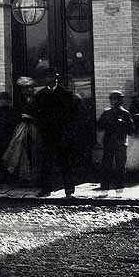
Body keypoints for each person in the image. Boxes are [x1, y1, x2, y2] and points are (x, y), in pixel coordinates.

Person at [34, 70, 79, 198]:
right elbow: (37, 115)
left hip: (62, 134)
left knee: (65, 163)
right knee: (46, 163)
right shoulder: (40, 95)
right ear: (45, 79)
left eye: (54, 77)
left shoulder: (65, 94)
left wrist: (68, 132)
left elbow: (72, 115)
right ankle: (46, 189)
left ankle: (69, 190)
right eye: (48, 77)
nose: (52, 79)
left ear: (57, 79)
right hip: (47, 135)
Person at [2, 78, 41, 184]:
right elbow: (16, 114)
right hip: (23, 128)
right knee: (20, 150)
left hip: (34, 127)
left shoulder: (37, 99)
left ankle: (35, 177)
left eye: (30, 87)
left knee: (35, 151)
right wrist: (22, 117)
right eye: (25, 88)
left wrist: (31, 117)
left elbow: (41, 114)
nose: (28, 90)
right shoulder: (19, 100)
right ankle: (24, 176)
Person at [98, 90, 136, 191]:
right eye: (113, 99)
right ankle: (104, 186)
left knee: (120, 167)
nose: (115, 102)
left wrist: (123, 124)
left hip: (121, 143)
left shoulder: (125, 114)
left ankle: (119, 186)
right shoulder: (106, 113)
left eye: (117, 99)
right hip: (109, 143)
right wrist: (106, 122)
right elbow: (99, 127)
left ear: (121, 101)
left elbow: (131, 130)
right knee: (106, 166)